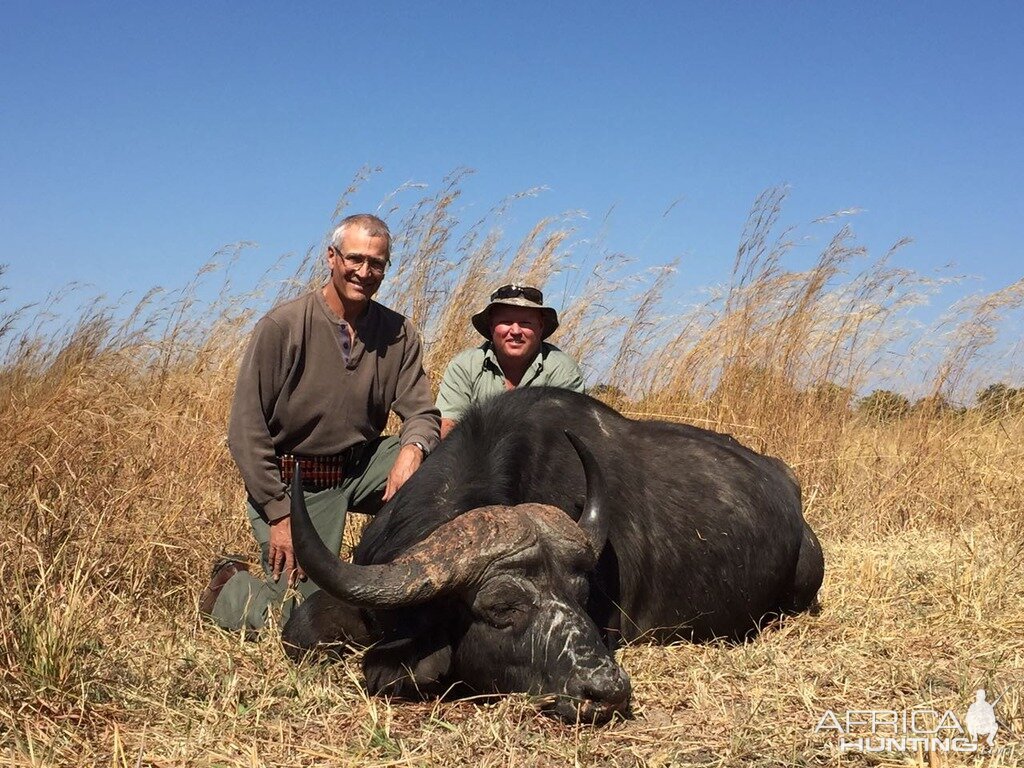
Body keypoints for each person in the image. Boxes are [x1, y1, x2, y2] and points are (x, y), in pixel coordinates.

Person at [200, 213, 441, 632]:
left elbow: (422, 412)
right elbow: (245, 430)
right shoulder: (284, 325)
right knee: (300, 620)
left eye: (377, 264)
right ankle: (229, 587)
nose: (364, 273)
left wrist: (413, 449)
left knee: (443, 469)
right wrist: (279, 514)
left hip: (359, 467)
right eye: (355, 259)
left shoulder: (398, 332)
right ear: (331, 258)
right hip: (296, 483)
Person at [436, 283, 585, 438]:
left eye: (525, 323)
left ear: (540, 327)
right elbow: (447, 426)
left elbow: (566, 435)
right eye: (506, 322)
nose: (515, 331)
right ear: (491, 326)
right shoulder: (464, 365)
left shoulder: (563, 369)